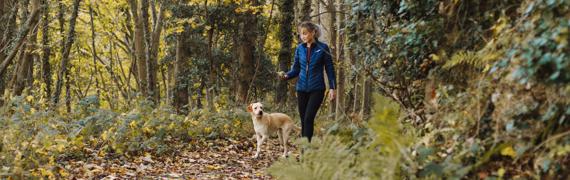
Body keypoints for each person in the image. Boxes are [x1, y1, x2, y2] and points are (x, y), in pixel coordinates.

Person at [280, 21, 336, 142]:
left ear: (313, 32)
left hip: (317, 89)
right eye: (301, 34)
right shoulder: (299, 49)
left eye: (305, 33)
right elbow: (296, 69)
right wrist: (286, 75)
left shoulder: (323, 48)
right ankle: (305, 149)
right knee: (303, 119)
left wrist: (332, 88)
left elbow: (330, 69)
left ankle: (306, 150)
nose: (303, 36)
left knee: (308, 118)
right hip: (301, 89)